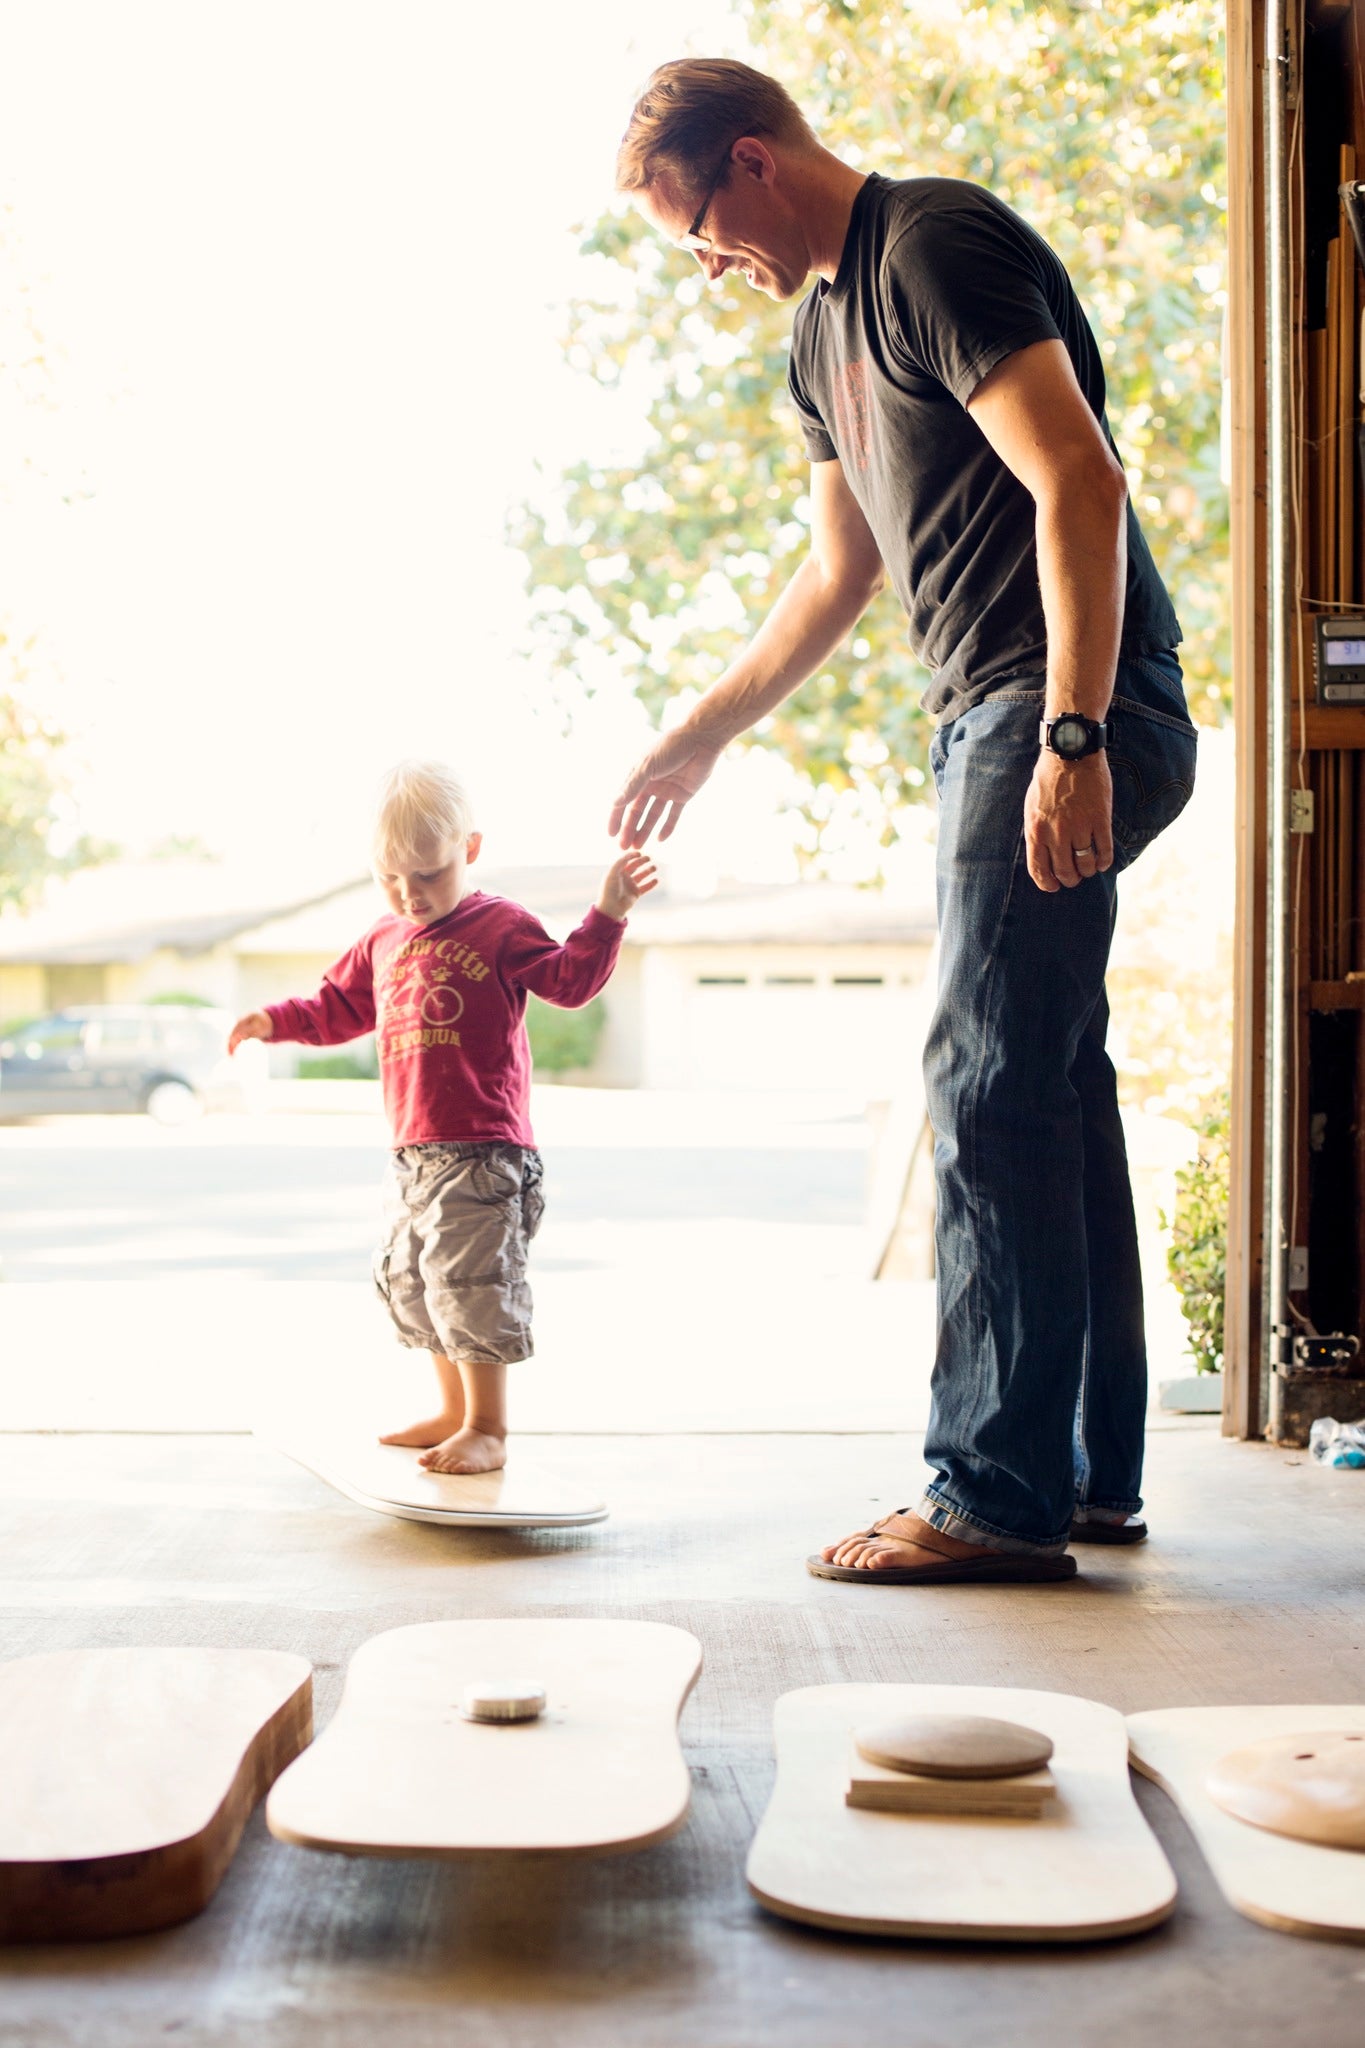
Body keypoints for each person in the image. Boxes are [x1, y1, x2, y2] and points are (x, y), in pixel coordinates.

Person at [609, 60, 1198, 1583]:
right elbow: (835, 576)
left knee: (984, 1069)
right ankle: (1084, 1476)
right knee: (1050, 1083)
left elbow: (1076, 473)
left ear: (752, 159)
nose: (711, 268)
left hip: (1062, 701)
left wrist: (1074, 731)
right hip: (983, 720)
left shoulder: (931, 244)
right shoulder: (817, 339)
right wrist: (701, 731)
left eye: (702, 230)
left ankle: (991, 1495)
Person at [228, 760, 656, 1474]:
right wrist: (273, 1021)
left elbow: (569, 982)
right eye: (389, 877)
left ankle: (488, 1426)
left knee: (473, 1285)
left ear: (470, 849)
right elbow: (336, 1008)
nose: (409, 894)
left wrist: (607, 912)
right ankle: (452, 1411)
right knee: (416, 1283)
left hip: (484, 1150)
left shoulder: (500, 925)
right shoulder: (383, 938)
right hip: (412, 1154)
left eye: (427, 874)